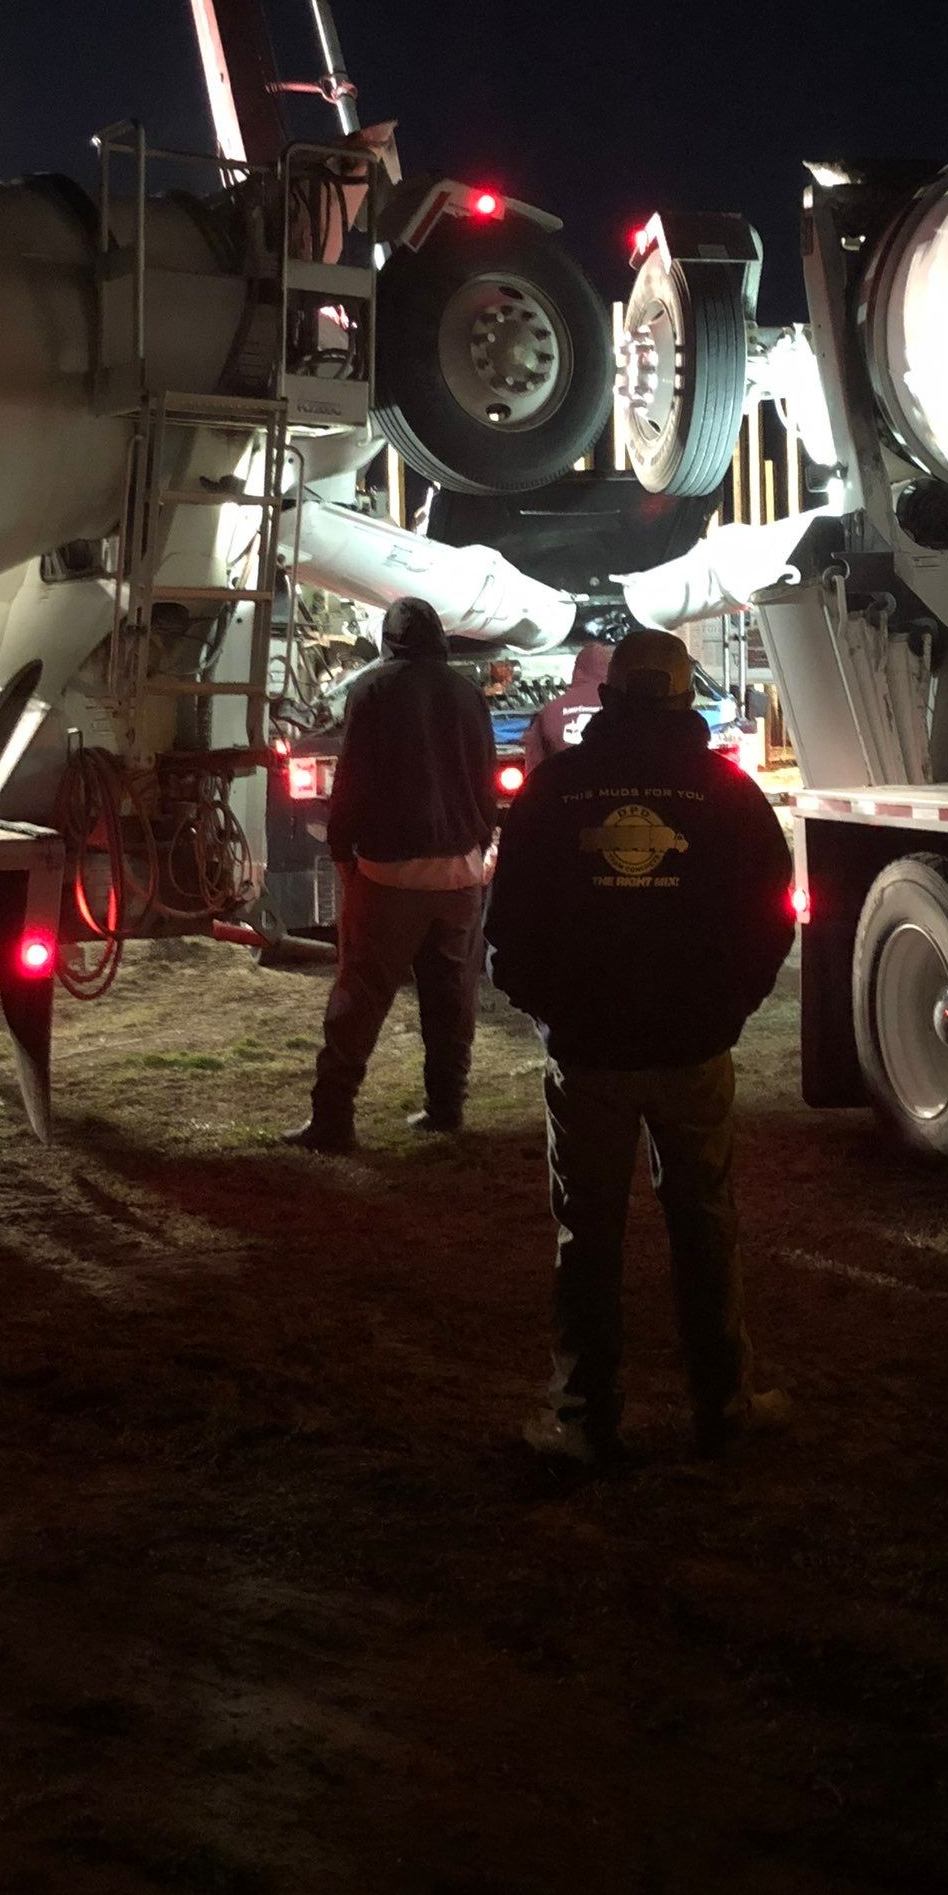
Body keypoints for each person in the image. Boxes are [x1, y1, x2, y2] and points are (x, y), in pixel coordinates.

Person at [486, 626, 795, 1467]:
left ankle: (583, 1420)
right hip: (693, 1049)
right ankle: (724, 1404)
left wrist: (553, 1013)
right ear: (687, 695)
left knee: (587, 1237)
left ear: (611, 695)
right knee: (705, 1224)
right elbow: (772, 914)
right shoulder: (726, 792)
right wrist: (728, 1009)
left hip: (588, 1057)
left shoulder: (558, 790)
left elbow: (507, 926)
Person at [283, 595, 498, 1150]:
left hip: (390, 872)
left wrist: (342, 849)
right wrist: (480, 839)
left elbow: (354, 777)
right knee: (451, 996)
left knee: (360, 994)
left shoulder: (372, 690)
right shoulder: (469, 693)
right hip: (460, 872)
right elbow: (483, 776)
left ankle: (333, 1118)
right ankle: (446, 1107)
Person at [518, 638, 611, 774]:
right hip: (612, 791)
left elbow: (534, 769)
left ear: (577, 670)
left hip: (565, 791)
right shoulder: (621, 708)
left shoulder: (551, 710)